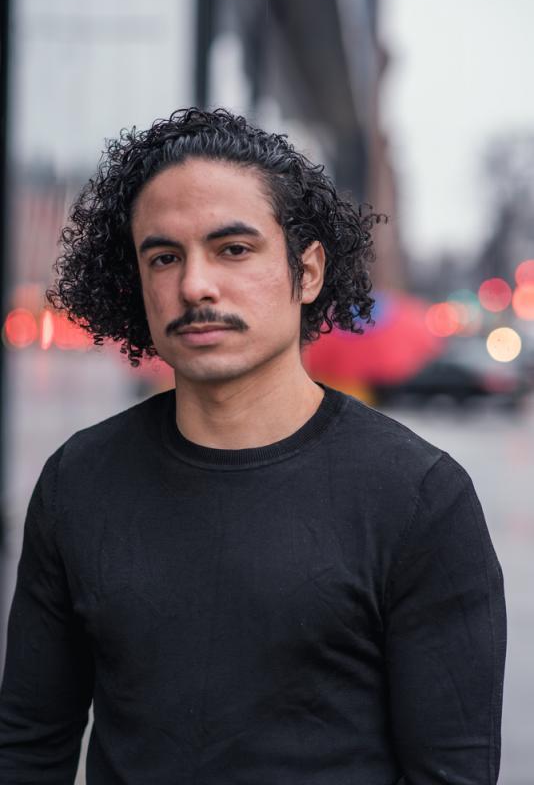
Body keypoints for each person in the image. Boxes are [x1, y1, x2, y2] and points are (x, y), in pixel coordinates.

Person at [0, 107, 506, 784]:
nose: (194, 285)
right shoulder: (78, 482)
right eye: (164, 257)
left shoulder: (418, 498)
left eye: (233, 249)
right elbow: (29, 744)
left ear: (308, 271)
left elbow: (452, 771)